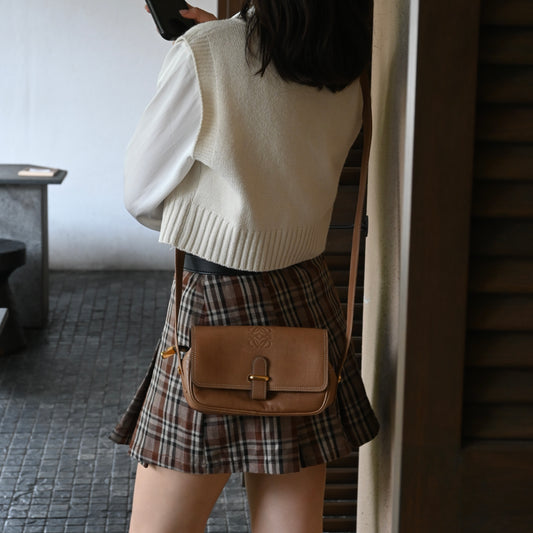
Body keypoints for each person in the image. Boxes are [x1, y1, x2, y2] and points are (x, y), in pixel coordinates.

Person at [111, 1, 379, 531]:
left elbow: (140, 195)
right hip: (307, 299)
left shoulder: (206, 51)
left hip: (215, 302)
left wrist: (220, 46)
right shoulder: (343, 61)